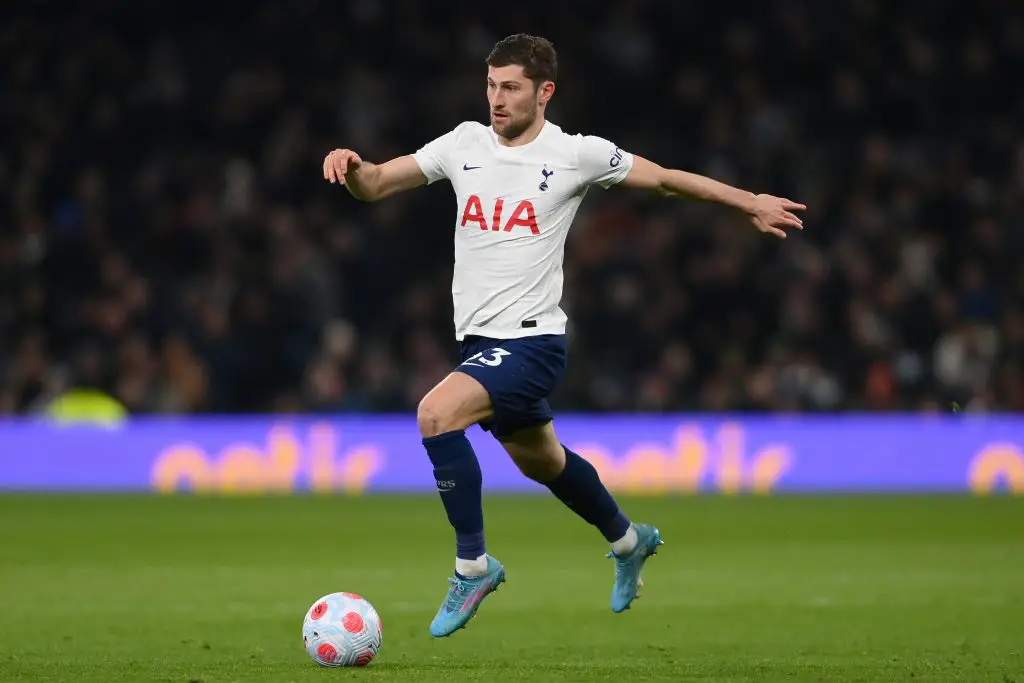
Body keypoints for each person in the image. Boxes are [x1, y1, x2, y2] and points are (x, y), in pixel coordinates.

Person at [322, 33, 805, 638]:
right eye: (491, 86)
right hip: (481, 344)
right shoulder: (462, 144)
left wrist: (748, 201)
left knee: (436, 414)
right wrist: (353, 167)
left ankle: (473, 566)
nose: (496, 99)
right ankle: (629, 541)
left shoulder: (575, 155)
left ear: (544, 92)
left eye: (511, 88)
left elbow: (666, 180)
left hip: (533, 344)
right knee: (543, 462)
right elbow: (378, 185)